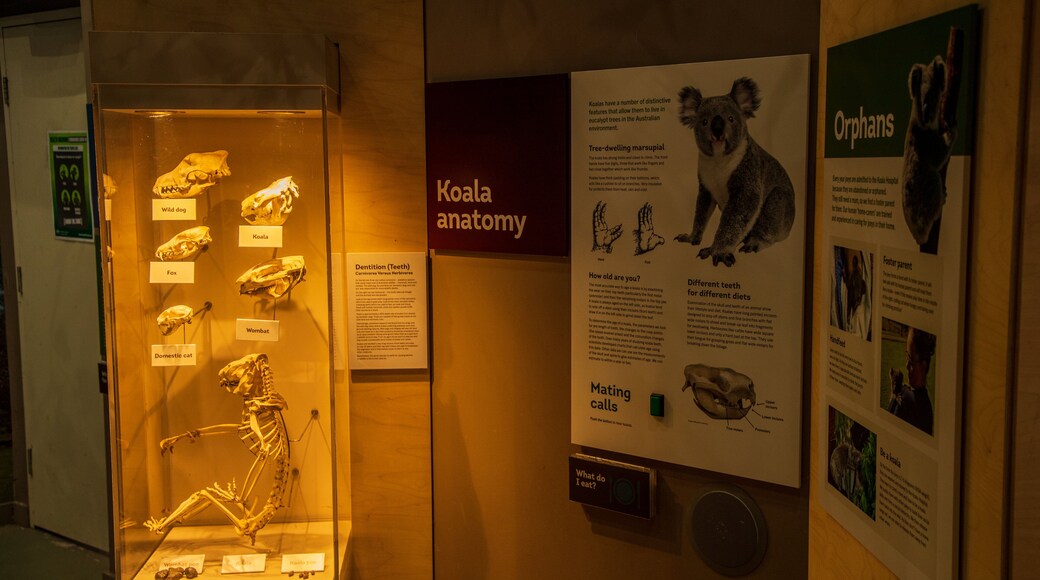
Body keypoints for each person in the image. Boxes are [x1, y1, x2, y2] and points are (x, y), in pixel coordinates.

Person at [893, 327, 936, 435]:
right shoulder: (927, 407)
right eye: (907, 356)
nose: (906, 366)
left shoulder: (913, 404)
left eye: (911, 361)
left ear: (923, 366)